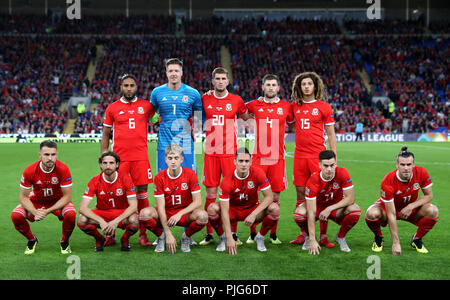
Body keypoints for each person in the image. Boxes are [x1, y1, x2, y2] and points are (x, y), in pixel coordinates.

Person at [101, 73, 156, 247]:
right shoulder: (112, 108)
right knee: (117, 195)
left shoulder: (146, 106)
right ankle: (112, 233)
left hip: (140, 158)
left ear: (136, 87)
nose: (129, 88)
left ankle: (143, 234)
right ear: (121, 87)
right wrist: (104, 155)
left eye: (132, 85)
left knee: (142, 196)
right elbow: (106, 134)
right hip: (120, 159)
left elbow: (159, 119)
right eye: (126, 85)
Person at [199, 67, 251, 246]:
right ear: (212, 81)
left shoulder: (236, 100)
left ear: (228, 81)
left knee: (232, 193)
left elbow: (247, 116)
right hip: (211, 154)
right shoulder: (204, 98)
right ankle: (209, 233)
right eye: (217, 79)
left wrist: (260, 102)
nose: (220, 81)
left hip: (230, 154)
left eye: (223, 79)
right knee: (211, 193)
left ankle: (233, 233)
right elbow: (193, 113)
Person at [289, 72, 337, 245]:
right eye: (303, 84)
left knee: (321, 195)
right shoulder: (293, 106)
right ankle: (304, 233)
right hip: (300, 156)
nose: (307, 86)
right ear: (299, 87)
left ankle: (323, 235)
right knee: (301, 192)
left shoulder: (324, 107)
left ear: (315, 86)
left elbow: (331, 134)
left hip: (318, 156)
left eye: (310, 83)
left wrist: (333, 157)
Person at [245, 74, 293, 245]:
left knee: (275, 197)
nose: (271, 87)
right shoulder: (254, 104)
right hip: (258, 157)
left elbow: (294, 124)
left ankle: (272, 234)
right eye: (268, 85)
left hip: (277, 158)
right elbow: (238, 109)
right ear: (263, 87)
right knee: (254, 195)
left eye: (274, 85)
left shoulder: (286, 106)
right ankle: (252, 233)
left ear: (278, 88)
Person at [365, 146, 438, 255]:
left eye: (409, 164)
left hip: (410, 210)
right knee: (371, 213)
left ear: (413, 164)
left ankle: (416, 239)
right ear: (397, 165)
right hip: (389, 209)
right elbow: (391, 213)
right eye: (402, 165)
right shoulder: (388, 181)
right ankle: (378, 237)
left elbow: (429, 195)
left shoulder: (421, 172)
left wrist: (410, 206)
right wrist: (396, 242)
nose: (406, 168)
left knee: (433, 210)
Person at [207, 147, 279, 255]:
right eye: (240, 161)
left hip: (251, 209)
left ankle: (260, 237)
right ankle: (222, 238)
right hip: (233, 210)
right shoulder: (227, 180)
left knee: (275, 209)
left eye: (246, 161)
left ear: (251, 161)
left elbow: (269, 197)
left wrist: (253, 214)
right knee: (212, 209)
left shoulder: (258, 173)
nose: (244, 164)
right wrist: (229, 237)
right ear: (235, 161)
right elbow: (225, 211)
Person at [139, 144, 208, 253]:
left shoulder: (190, 174)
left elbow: (198, 201)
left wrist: (180, 214)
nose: (173, 162)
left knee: (203, 216)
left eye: (176, 158)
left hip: (184, 213)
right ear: (165, 159)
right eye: (170, 158)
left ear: (181, 159)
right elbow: (160, 207)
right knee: (144, 214)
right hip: (166, 212)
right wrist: (167, 233)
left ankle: (185, 237)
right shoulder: (159, 177)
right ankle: (161, 237)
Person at [11, 140, 76, 255]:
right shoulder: (30, 170)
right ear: (40, 155)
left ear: (57, 154)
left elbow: (67, 196)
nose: (50, 158)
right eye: (46, 155)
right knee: (16, 216)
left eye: (53, 154)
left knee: (71, 214)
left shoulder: (63, 169)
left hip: (57, 201)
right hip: (37, 200)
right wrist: (35, 211)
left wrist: (47, 211)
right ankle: (32, 240)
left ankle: (64, 241)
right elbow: (23, 197)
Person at [295, 150, 361, 255]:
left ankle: (340, 237)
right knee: (299, 213)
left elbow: (351, 198)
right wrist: (312, 239)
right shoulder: (313, 181)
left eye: (332, 165)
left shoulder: (343, 172)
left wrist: (329, 208)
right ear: (320, 165)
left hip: (335, 209)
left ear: (336, 163)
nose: (329, 169)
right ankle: (309, 237)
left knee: (355, 210)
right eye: (326, 166)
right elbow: (311, 211)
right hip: (317, 209)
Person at [78, 151, 139, 252]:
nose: (108, 166)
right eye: (105, 163)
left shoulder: (125, 179)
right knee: (81, 220)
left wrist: (116, 221)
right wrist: (101, 221)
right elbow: (82, 208)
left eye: (111, 163)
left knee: (135, 219)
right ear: (101, 165)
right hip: (103, 214)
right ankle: (99, 238)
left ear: (117, 165)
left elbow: (133, 206)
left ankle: (125, 239)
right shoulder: (94, 181)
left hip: (121, 213)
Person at [150, 58, 203, 173]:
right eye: (170, 71)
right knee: (163, 182)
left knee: (189, 182)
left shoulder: (193, 93)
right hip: (164, 144)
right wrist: (155, 120)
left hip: (186, 145)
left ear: (181, 73)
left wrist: (194, 126)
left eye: (176, 71)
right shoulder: (157, 92)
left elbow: (199, 114)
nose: (173, 74)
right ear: (166, 73)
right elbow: (150, 112)